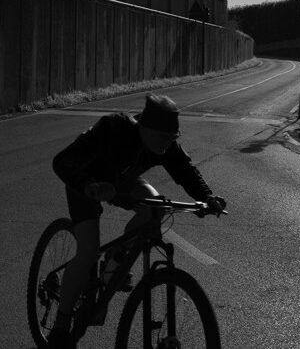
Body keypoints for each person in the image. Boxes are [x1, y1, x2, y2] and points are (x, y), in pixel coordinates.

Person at [47, 93, 226, 348]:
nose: (167, 144)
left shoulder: (164, 144)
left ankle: (115, 259)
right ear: (145, 127)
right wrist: (88, 186)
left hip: (121, 181)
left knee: (155, 208)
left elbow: (186, 172)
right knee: (87, 251)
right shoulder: (113, 128)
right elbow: (62, 161)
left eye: (172, 138)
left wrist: (207, 197)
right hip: (86, 181)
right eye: (163, 137)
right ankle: (62, 322)